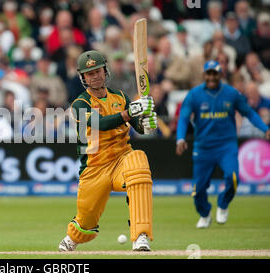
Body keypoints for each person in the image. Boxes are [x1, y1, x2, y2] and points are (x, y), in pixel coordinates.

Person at [58, 50, 158, 252]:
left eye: (98, 71)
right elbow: (100, 124)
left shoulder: (120, 97)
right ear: (83, 77)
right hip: (94, 168)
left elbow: (137, 125)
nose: (95, 76)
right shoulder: (79, 104)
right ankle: (73, 237)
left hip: (122, 158)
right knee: (85, 223)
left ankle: (140, 236)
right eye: (89, 73)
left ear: (105, 71)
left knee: (139, 164)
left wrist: (145, 123)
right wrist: (129, 113)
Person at [175, 61, 270, 229]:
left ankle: (223, 203)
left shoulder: (231, 94)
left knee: (233, 178)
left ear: (220, 75)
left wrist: (265, 129)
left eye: (215, 74)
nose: (212, 77)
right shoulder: (195, 95)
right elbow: (183, 118)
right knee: (198, 190)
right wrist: (180, 139)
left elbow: (248, 113)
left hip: (226, 145)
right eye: (209, 74)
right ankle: (205, 214)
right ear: (204, 75)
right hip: (203, 148)